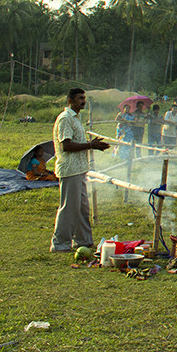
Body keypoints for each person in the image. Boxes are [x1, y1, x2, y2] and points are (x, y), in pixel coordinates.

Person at [51, 88, 111, 252]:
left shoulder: (76, 118)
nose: (83, 101)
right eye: (80, 98)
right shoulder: (65, 118)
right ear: (70, 100)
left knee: (82, 207)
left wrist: (91, 145)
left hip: (79, 169)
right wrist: (91, 145)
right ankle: (60, 243)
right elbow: (66, 145)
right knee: (69, 208)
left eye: (84, 98)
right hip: (69, 169)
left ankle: (84, 241)